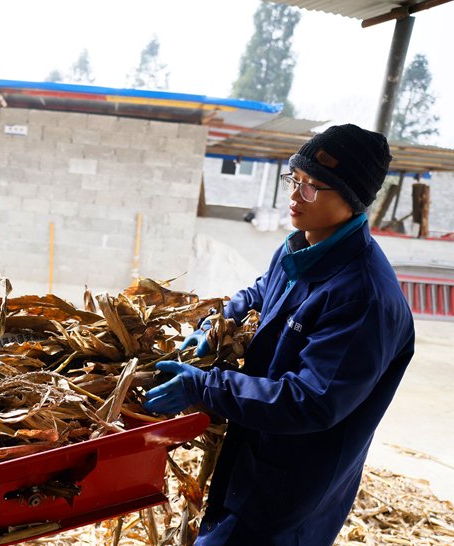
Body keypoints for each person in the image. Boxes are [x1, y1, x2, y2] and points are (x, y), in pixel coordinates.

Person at [144, 124, 415, 545]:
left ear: (352, 200)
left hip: (292, 487)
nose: (294, 195)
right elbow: (262, 290)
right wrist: (219, 325)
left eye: (312, 187)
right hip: (254, 459)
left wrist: (207, 387)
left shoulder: (364, 297)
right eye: (295, 180)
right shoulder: (302, 246)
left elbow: (311, 401)